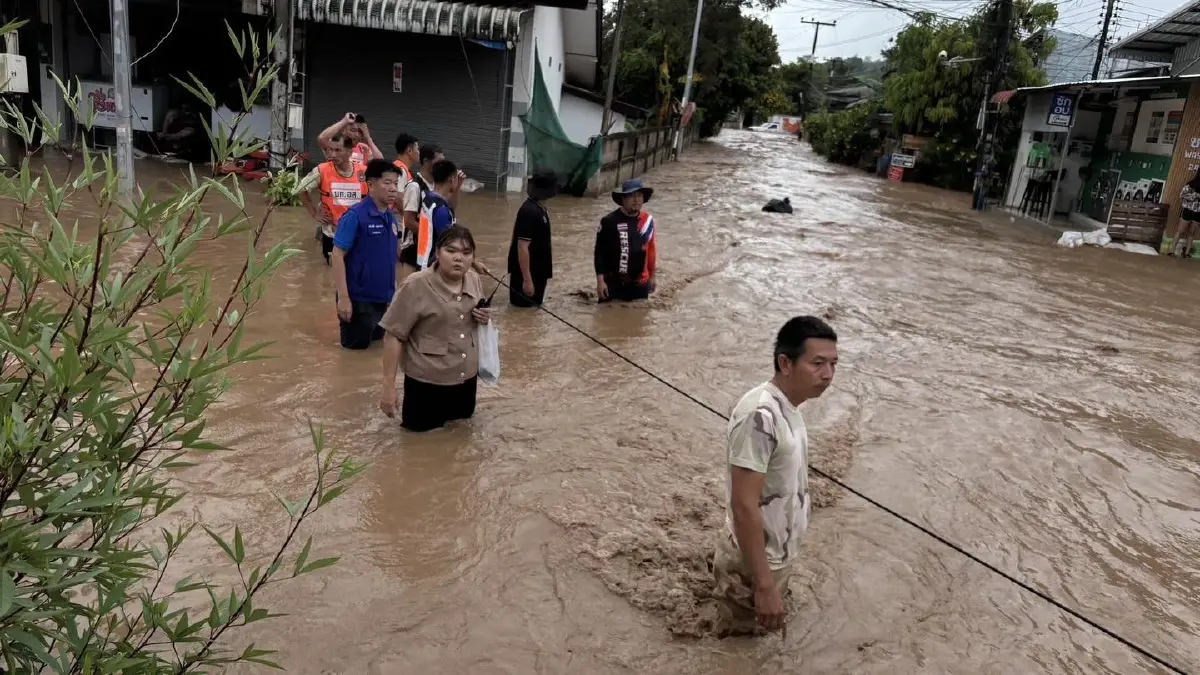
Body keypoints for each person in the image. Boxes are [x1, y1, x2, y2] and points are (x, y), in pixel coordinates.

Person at [714, 316, 838, 637]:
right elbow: (743, 505)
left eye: (834, 364)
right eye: (818, 364)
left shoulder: (790, 406)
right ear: (785, 363)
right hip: (753, 565)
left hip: (774, 557)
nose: (828, 375)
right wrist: (765, 585)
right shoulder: (760, 415)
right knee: (738, 652)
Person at [378, 226, 492, 431]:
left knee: (460, 443)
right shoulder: (415, 285)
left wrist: (483, 317)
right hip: (426, 386)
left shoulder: (474, 279)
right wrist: (388, 387)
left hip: (466, 382)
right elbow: (393, 335)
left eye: (466, 253)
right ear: (437, 252)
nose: (459, 258)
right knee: (418, 450)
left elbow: (470, 320)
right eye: (451, 251)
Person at [330, 159, 402, 350]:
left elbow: (390, 259)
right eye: (387, 183)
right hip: (358, 300)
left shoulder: (391, 219)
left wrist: (393, 294)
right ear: (370, 184)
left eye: (395, 183)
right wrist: (344, 298)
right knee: (354, 354)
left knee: (377, 350)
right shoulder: (355, 216)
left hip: (382, 299)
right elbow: (337, 255)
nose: (393, 188)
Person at [300, 134, 366, 264]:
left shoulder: (364, 172)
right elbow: (301, 189)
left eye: (337, 150)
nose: (333, 155)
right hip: (332, 233)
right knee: (333, 273)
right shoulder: (322, 170)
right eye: (330, 150)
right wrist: (315, 214)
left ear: (349, 152)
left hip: (358, 233)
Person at [594, 179, 657, 303]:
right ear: (623, 200)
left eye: (639, 196)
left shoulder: (648, 221)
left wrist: (652, 277)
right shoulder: (609, 221)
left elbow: (651, 252)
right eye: (631, 196)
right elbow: (600, 253)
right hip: (614, 283)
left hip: (640, 283)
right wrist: (600, 281)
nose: (636, 200)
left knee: (639, 319)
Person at [507, 171, 557, 307]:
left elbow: (514, 236)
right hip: (529, 274)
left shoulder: (540, 208)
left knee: (533, 312)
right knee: (523, 311)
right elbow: (522, 246)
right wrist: (527, 280)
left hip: (538, 272)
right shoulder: (529, 211)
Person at [413, 159, 463, 270]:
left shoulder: (428, 198)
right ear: (452, 180)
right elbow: (450, 243)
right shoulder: (441, 210)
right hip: (432, 267)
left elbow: (451, 205)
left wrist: (457, 187)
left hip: (422, 262)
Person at [393, 133, 421, 279]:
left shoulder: (402, 169)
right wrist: (411, 216)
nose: (419, 152)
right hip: (397, 227)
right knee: (400, 268)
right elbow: (397, 197)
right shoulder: (400, 170)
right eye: (418, 149)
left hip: (400, 225)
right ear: (409, 151)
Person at [318, 112, 383, 166]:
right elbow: (322, 138)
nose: (357, 134)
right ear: (343, 130)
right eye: (353, 130)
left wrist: (368, 138)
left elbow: (380, 163)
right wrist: (344, 121)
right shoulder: (335, 145)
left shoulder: (364, 148)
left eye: (360, 131)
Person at [1169, 173, 1200, 258]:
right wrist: (1195, 196)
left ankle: (1186, 253)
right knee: (1180, 231)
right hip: (1188, 211)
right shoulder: (1190, 185)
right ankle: (1172, 251)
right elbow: (1182, 195)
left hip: (1198, 213)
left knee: (1191, 233)